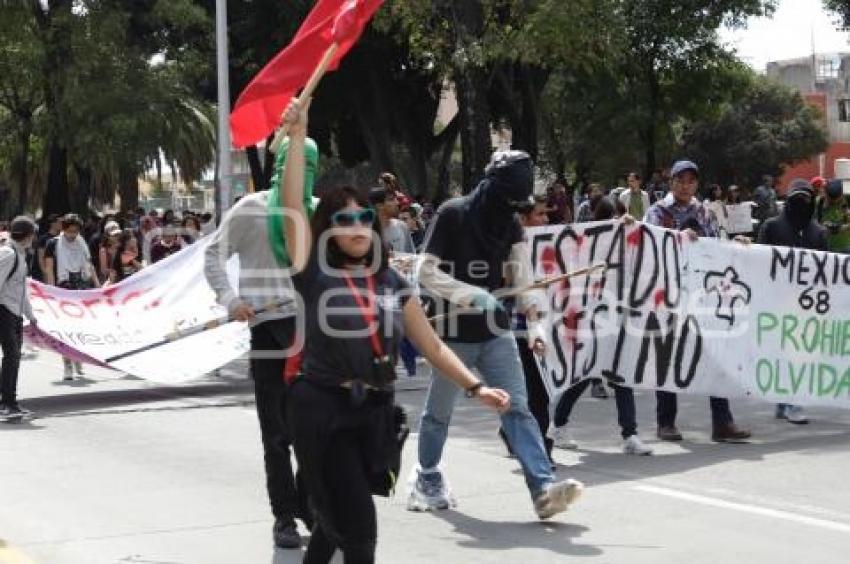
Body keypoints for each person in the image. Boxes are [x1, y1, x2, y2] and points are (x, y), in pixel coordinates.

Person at [279, 99, 510, 564]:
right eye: (344, 219)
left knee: (334, 522)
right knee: (360, 529)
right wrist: (298, 137)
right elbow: (290, 210)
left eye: (365, 217)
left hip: (373, 412)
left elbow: (432, 345)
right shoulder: (315, 270)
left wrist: (477, 386)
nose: (358, 225)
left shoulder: (391, 281)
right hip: (323, 410)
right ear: (328, 228)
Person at [410, 148, 584, 520]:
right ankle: (426, 474)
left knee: (517, 408)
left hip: (496, 332)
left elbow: (522, 276)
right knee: (439, 413)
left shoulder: (509, 222)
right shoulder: (452, 213)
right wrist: (470, 294)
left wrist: (535, 324)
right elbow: (424, 271)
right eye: (507, 200)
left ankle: (542, 488)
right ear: (489, 186)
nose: (511, 210)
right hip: (450, 332)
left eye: (516, 204)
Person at [204, 130, 320, 550]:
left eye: (310, 167)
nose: (302, 175)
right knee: (276, 433)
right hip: (270, 333)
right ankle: (285, 516)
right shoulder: (248, 210)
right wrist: (231, 299)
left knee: (318, 428)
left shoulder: (321, 214)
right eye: (295, 165)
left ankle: (310, 504)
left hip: (317, 336)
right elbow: (212, 256)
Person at [645, 160, 752, 443]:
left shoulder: (704, 212)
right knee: (669, 357)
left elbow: (717, 244)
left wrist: (735, 244)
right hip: (669, 295)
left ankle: (722, 422)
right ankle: (665, 422)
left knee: (716, 357)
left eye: (691, 181)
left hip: (704, 296)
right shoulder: (657, 212)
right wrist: (677, 239)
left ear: (697, 184)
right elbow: (650, 246)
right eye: (680, 180)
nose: (685, 185)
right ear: (671, 182)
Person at [758, 179, 828, 425]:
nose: (801, 204)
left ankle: (794, 402)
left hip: (806, 305)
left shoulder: (818, 233)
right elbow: (758, 262)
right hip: (777, 304)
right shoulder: (771, 227)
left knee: (799, 353)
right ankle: (783, 401)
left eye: (806, 200)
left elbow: (827, 272)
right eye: (797, 199)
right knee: (780, 353)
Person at [44, 214, 99, 381]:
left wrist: (97, 286)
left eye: (76, 231)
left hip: (81, 286)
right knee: (65, 328)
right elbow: (48, 268)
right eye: (70, 231)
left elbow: (89, 265)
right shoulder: (52, 244)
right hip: (63, 287)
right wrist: (52, 292)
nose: (73, 235)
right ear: (63, 229)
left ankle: (78, 359)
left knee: (79, 327)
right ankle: (67, 364)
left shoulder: (82, 243)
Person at [0, 217, 38, 421]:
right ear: (27, 235)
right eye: (32, 233)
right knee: (12, 356)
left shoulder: (20, 254)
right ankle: (7, 404)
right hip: (4, 311)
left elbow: (21, 290)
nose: (34, 237)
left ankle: (9, 402)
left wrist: (31, 316)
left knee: (13, 358)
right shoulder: (8, 253)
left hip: (14, 312)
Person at [368, 186, 415, 254]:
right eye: (391, 199)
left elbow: (411, 255)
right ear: (379, 206)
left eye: (396, 199)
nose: (397, 203)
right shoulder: (368, 233)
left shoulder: (401, 226)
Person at [816, 179, 850, 254]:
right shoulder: (818, 203)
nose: (834, 202)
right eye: (831, 199)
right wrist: (821, 228)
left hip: (845, 247)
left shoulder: (847, 200)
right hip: (825, 247)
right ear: (825, 193)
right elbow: (811, 225)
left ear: (841, 194)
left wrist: (845, 227)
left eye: (836, 199)